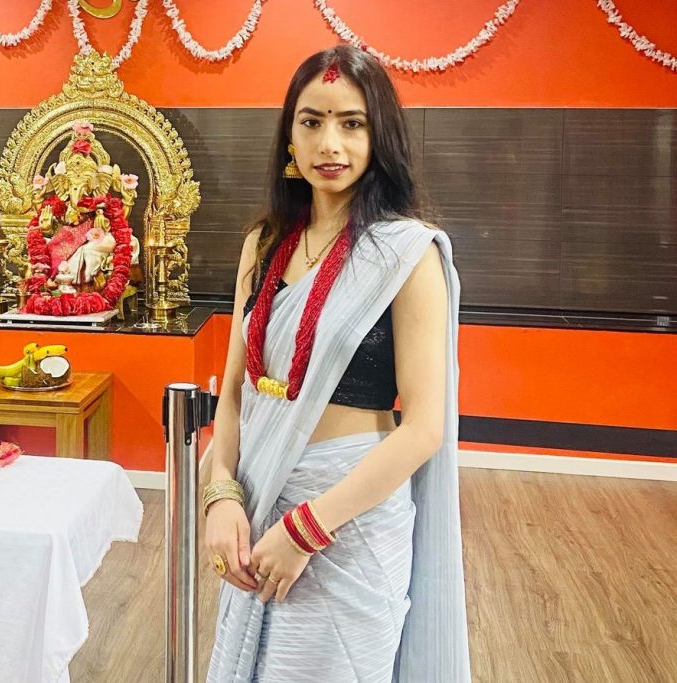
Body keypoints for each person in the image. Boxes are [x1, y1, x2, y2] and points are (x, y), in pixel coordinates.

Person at [204, 45, 470, 682]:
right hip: (256, 506)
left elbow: (423, 427)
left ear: (381, 137)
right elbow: (237, 388)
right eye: (312, 121)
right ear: (288, 137)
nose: (331, 142)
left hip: (350, 518)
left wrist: (306, 530)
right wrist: (219, 495)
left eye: (353, 123)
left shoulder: (407, 254)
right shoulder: (263, 243)